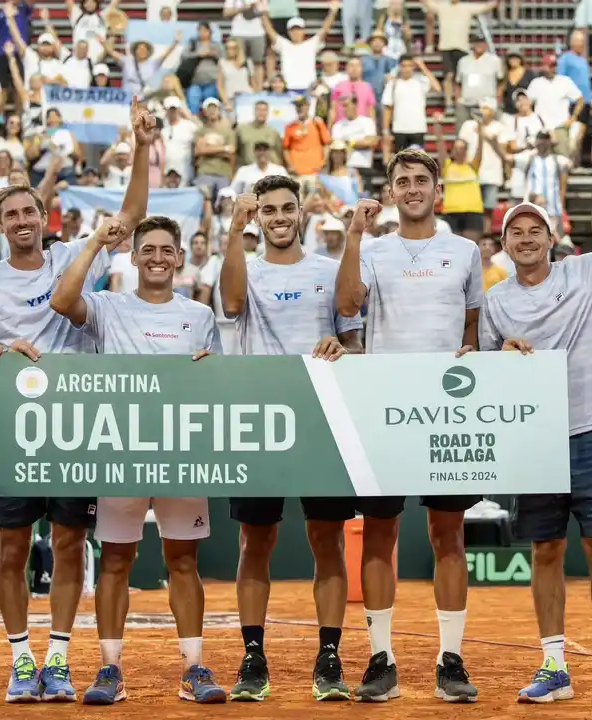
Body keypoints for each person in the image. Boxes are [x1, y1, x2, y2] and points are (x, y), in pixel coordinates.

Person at [0, 98, 153, 703]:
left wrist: (143, 145)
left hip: (76, 424)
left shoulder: (72, 257)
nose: (22, 219)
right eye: (11, 214)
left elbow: (130, 213)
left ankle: (59, 657)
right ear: (0, 224)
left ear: (45, 215)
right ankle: (22, 659)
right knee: (12, 545)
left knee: (71, 541)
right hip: (18, 427)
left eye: (29, 210)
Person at [481, 144, 592, 707]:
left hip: (589, 429)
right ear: (504, 244)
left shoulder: (587, 271)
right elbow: (480, 367)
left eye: (535, 230)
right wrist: (500, 350)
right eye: (515, 232)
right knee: (546, 551)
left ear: (550, 238)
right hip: (533, 440)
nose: (525, 238)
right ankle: (554, 664)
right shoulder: (494, 301)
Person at [48, 215, 226, 705]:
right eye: (148, 249)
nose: (157, 257)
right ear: (134, 256)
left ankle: (193, 668)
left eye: (166, 250)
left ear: (180, 259)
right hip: (120, 452)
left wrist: (213, 373)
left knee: (183, 560)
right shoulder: (108, 306)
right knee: (116, 561)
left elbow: (220, 385)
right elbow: (63, 301)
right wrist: (94, 244)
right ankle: (110, 669)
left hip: (182, 454)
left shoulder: (200, 316)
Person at [335, 149, 483, 704]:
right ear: (391, 192)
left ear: (437, 189)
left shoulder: (465, 251)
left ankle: (451, 659)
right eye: (403, 181)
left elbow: (473, 328)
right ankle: (382, 659)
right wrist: (353, 236)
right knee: (380, 534)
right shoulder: (373, 250)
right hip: (386, 408)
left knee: (449, 535)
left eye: (422, 180)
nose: (413, 188)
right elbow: (349, 304)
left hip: (447, 411)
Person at [218, 176, 363, 702]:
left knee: (327, 542)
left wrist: (344, 349)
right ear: (258, 218)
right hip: (259, 420)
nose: (279, 217)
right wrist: (234, 230)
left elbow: (354, 340)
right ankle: (253, 657)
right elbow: (232, 305)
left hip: (324, 419)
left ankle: (330, 657)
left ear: (301, 213)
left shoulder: (329, 271)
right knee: (255, 542)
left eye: (287, 208)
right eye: (269, 210)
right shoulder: (243, 267)